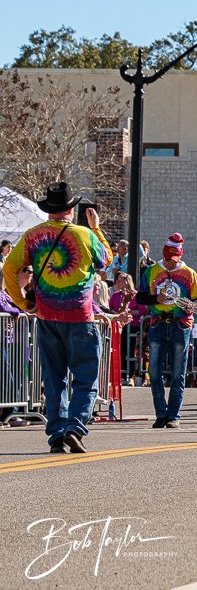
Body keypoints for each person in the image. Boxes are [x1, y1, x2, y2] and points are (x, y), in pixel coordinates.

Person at [1, 182, 111, 453]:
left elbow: (10, 270)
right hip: (80, 317)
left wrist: (23, 303)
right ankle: (75, 427)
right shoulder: (85, 235)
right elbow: (106, 259)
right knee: (86, 378)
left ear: (49, 210)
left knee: (54, 378)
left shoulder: (33, 235)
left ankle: (57, 435)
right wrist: (96, 227)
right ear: (70, 211)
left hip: (48, 316)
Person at [135, 233, 197, 428]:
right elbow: (140, 298)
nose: (170, 263)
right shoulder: (151, 271)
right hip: (157, 323)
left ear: (179, 256)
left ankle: (174, 415)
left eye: (173, 260)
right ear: (163, 255)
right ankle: (160, 414)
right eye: (167, 259)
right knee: (154, 371)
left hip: (180, 325)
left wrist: (191, 305)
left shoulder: (190, 273)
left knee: (178, 372)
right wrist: (156, 299)